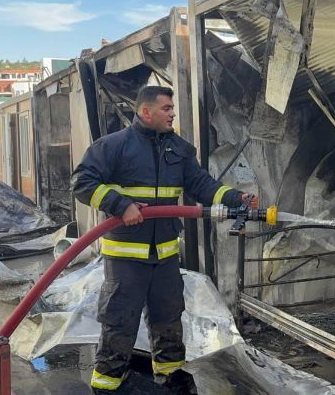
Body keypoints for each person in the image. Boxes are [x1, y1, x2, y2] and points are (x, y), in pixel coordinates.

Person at [73, 86, 256, 394]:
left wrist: (236, 198)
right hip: (126, 258)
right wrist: (121, 205)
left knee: (169, 321)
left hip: (166, 256)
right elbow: (81, 182)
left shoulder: (179, 150)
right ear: (146, 112)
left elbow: (202, 185)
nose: (173, 113)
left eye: (172, 108)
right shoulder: (113, 147)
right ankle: (106, 385)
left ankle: (171, 381)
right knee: (120, 323)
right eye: (167, 108)